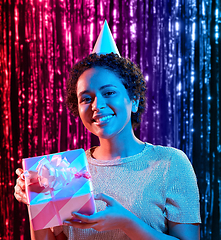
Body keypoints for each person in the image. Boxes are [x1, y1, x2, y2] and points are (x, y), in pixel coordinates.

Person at [14, 21, 201, 240]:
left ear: (134, 100)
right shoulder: (66, 171)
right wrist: (34, 199)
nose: (96, 105)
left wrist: (126, 222)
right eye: (86, 98)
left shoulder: (170, 163)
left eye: (109, 93)